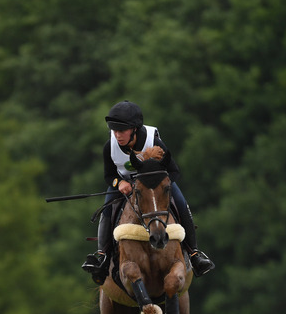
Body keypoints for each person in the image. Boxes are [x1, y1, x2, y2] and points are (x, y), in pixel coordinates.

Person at [82, 100, 215, 283]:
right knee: (106, 210)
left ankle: (194, 254)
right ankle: (102, 257)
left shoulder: (155, 141)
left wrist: (157, 186)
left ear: (135, 129)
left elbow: (174, 171)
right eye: (114, 131)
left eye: (122, 131)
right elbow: (108, 175)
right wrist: (118, 182)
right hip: (124, 185)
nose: (117, 135)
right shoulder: (109, 146)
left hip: (156, 186)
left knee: (182, 204)